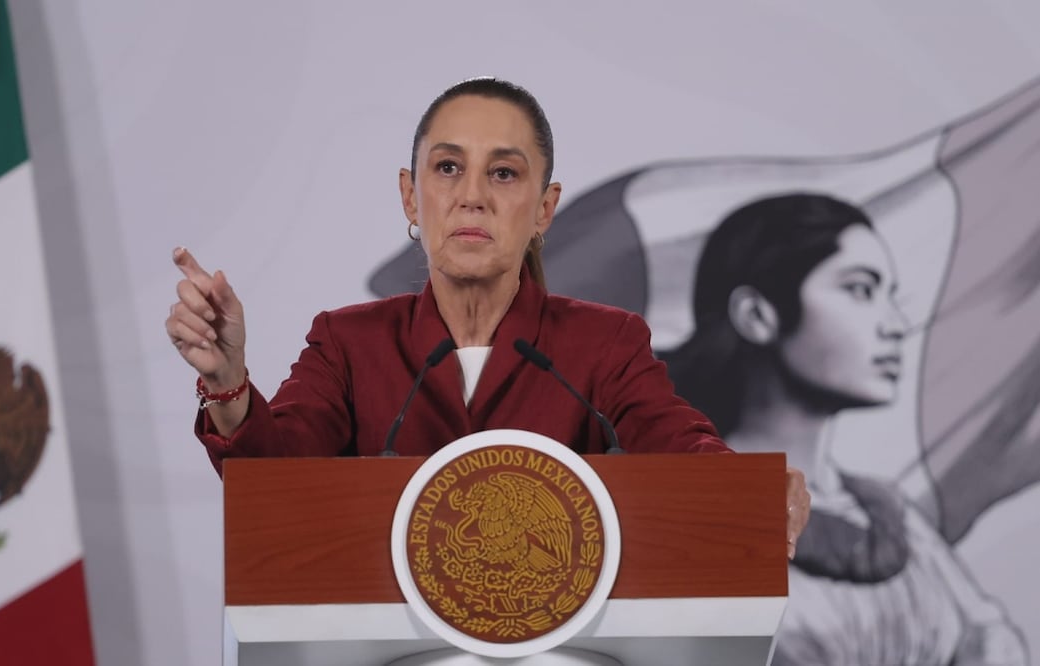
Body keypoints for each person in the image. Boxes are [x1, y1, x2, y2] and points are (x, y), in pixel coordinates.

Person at [164, 76, 810, 554]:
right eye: (447, 168)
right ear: (410, 196)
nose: (471, 196)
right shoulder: (348, 344)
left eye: (503, 174)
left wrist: (743, 488)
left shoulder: (602, 344)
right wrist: (228, 383)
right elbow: (275, 484)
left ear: (544, 209)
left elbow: (675, 441)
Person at [659, 193, 1027, 666]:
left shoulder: (892, 519)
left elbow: (990, 640)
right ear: (757, 315)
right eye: (860, 289)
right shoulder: (678, 510)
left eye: (891, 295)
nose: (895, 325)